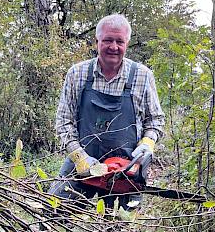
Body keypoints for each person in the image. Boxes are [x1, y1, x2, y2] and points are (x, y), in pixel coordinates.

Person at [50, 14, 165, 208]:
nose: (114, 47)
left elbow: (155, 120)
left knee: (118, 224)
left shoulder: (142, 76)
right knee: (54, 213)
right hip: (82, 162)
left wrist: (147, 144)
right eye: (108, 40)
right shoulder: (77, 74)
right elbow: (64, 120)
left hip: (124, 168)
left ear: (127, 43)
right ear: (97, 41)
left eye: (119, 41)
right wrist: (79, 157)